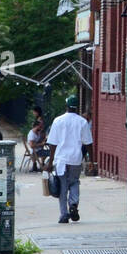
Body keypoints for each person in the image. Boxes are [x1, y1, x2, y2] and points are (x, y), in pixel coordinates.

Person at [44, 96, 93, 224]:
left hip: (61, 160)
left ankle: (64, 215)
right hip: (75, 159)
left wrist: (50, 162)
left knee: (62, 187)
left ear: (66, 105)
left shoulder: (58, 121)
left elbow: (53, 144)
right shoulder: (82, 122)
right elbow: (88, 143)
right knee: (75, 182)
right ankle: (73, 204)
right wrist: (91, 161)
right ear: (77, 107)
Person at [25, 106, 48, 172]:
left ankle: (39, 164)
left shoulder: (39, 120)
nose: (33, 113)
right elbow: (32, 145)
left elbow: (40, 128)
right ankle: (41, 165)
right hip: (36, 143)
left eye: (34, 112)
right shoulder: (33, 132)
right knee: (41, 149)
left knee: (41, 149)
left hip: (39, 138)